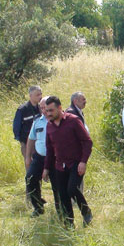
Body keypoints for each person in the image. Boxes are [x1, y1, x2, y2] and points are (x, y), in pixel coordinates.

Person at [42, 96, 93, 227]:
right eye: (47, 111)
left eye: (51, 110)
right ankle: (68, 224)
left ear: (59, 108)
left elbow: (87, 142)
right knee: (63, 194)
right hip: (60, 165)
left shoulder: (73, 121)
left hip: (76, 163)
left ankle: (86, 212)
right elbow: (49, 149)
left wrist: (83, 162)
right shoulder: (49, 126)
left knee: (72, 189)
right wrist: (46, 168)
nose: (48, 113)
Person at [25, 96, 49, 217]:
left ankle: (61, 207)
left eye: (45, 107)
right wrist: (28, 157)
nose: (43, 110)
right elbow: (31, 139)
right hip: (39, 157)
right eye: (41, 108)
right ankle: (38, 207)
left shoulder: (58, 119)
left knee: (57, 183)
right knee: (30, 178)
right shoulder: (37, 121)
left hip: (56, 158)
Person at [13, 86, 43, 166]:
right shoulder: (23, 109)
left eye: (41, 94)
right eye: (37, 95)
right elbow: (16, 127)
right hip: (27, 142)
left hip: (40, 141)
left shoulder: (42, 108)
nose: (40, 97)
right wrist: (22, 142)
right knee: (30, 165)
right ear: (30, 95)